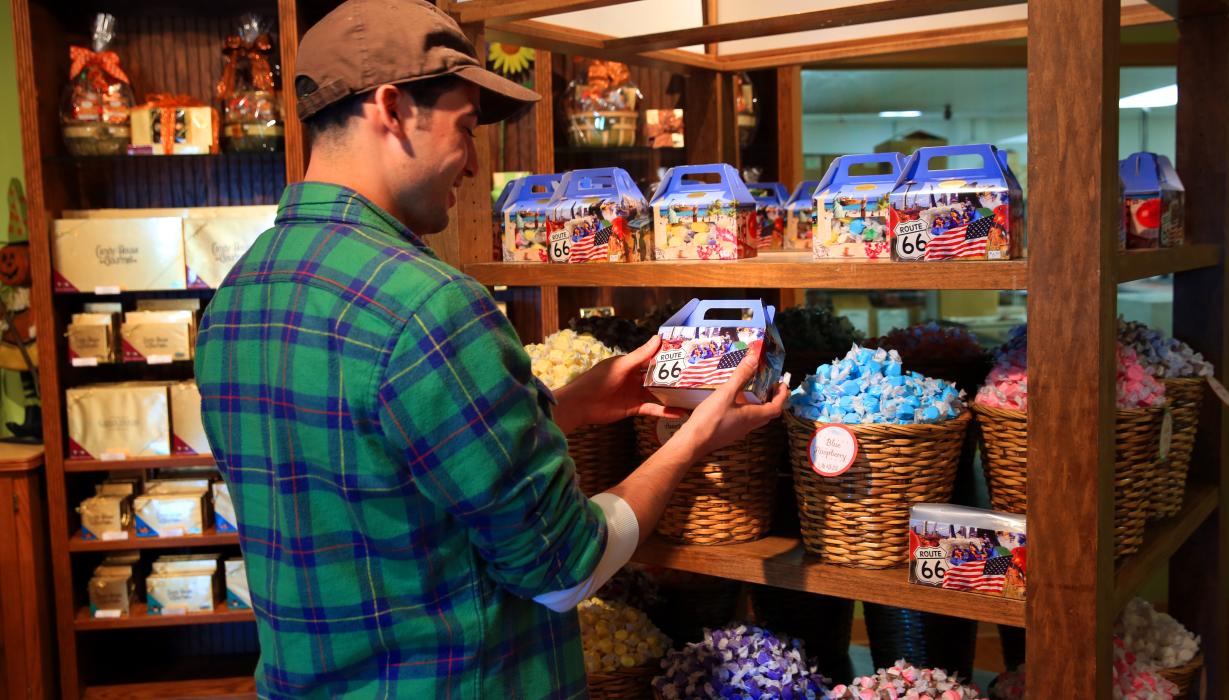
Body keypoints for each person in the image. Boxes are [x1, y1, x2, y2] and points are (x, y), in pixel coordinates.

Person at [192, 1, 786, 698]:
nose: (476, 165)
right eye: (466, 129)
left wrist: (565, 406)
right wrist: (689, 443)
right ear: (392, 109)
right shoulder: (431, 305)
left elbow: (383, 460)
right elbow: (566, 569)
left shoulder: (238, 295)